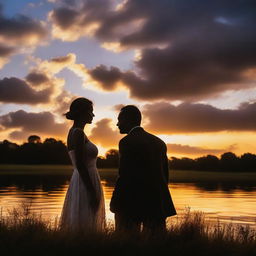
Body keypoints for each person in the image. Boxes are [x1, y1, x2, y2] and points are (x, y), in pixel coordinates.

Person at [110, 105, 176, 233]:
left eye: (120, 120)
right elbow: (164, 175)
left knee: (126, 241)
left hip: (132, 202)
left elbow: (124, 175)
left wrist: (115, 201)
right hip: (157, 202)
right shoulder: (159, 142)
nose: (117, 124)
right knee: (155, 244)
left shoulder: (126, 142)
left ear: (129, 120)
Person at [60, 97, 105, 232]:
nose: (93, 115)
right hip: (85, 179)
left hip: (81, 178)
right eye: (91, 111)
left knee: (84, 213)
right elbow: (79, 163)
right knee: (86, 212)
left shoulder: (75, 132)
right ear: (82, 112)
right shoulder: (78, 133)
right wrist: (91, 191)